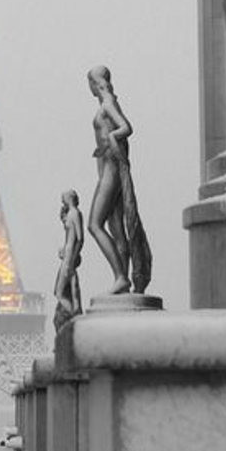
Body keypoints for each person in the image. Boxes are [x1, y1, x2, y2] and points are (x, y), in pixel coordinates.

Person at [87, 66, 152, 294]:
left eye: (90, 82)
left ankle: (121, 276)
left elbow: (126, 127)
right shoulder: (107, 101)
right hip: (108, 165)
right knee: (116, 226)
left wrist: (113, 139)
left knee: (94, 224)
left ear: (95, 82)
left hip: (111, 167)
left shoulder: (107, 103)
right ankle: (123, 279)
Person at [53, 189, 84, 331]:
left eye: (63, 198)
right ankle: (76, 315)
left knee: (59, 292)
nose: (62, 201)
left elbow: (80, 238)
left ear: (69, 198)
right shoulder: (73, 213)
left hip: (69, 257)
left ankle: (73, 316)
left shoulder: (74, 213)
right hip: (68, 255)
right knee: (73, 289)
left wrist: (72, 257)